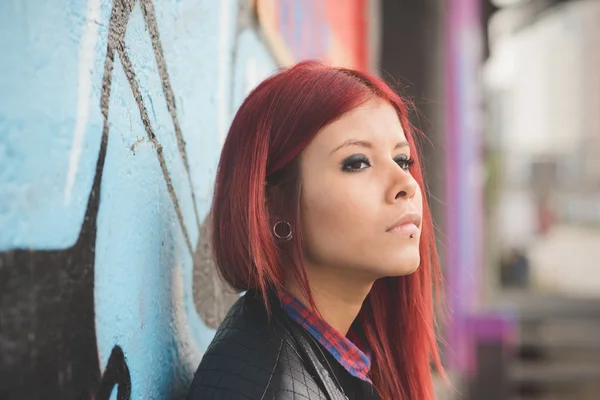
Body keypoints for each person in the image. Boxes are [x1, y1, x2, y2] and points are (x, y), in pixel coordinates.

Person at [186, 61, 443, 400]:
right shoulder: (266, 385)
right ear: (271, 204)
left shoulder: (339, 356)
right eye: (357, 162)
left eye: (402, 160)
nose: (406, 184)